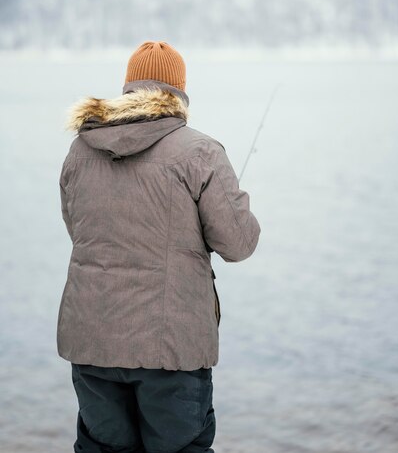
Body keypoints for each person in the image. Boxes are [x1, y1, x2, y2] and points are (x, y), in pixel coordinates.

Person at [57, 40, 261, 453]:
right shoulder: (200, 152)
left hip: (91, 342)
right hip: (172, 351)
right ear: (179, 91)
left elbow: (78, 230)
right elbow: (239, 244)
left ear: (128, 88)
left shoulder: (79, 151)